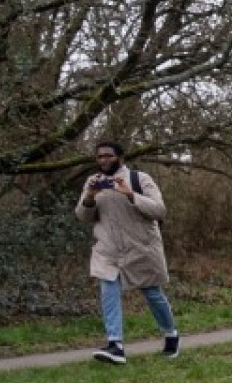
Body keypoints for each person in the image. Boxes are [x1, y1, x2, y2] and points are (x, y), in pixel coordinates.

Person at [75, 140, 180, 364]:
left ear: (119, 157)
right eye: (99, 156)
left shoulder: (139, 179)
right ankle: (116, 345)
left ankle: (170, 335)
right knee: (108, 289)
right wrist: (89, 197)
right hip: (108, 249)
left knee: (152, 293)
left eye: (108, 156)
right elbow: (83, 217)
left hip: (140, 247)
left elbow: (159, 210)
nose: (103, 160)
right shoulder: (92, 182)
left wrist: (130, 194)